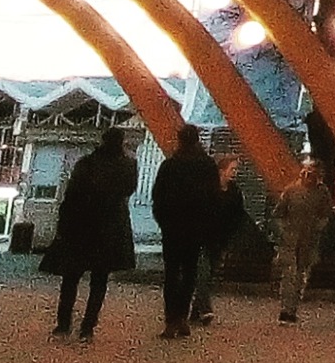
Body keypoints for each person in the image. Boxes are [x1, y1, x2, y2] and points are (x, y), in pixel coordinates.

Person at [39, 127, 137, 342]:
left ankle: (64, 323)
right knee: (99, 280)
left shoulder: (87, 163)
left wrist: (63, 226)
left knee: (71, 277)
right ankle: (88, 327)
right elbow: (129, 190)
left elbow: (72, 194)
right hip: (111, 227)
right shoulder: (128, 165)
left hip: (82, 225)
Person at [149, 123, 220, 338]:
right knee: (190, 272)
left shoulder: (170, 165)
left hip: (173, 228)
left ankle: (171, 318)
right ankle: (182, 316)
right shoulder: (207, 166)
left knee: (171, 274)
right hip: (196, 228)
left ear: (180, 140)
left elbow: (158, 197)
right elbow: (214, 198)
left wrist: (163, 222)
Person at [271, 159, 334, 323]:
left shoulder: (322, 193)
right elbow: (279, 213)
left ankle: (293, 307)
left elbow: (326, 215)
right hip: (290, 240)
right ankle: (286, 309)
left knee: (300, 275)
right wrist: (284, 230)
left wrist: (318, 228)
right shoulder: (291, 190)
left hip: (309, 241)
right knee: (289, 275)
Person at [188, 155, 245, 327]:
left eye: (236, 170)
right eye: (232, 169)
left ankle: (196, 312)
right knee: (203, 272)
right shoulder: (207, 189)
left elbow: (237, 217)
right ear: (221, 170)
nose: (234, 173)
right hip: (200, 238)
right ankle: (205, 308)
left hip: (219, 240)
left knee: (209, 273)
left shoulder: (235, 192)